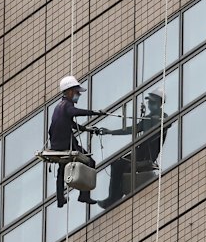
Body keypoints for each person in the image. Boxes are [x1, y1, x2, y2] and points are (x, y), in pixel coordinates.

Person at [97, 86, 168, 209]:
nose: (150, 104)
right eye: (149, 102)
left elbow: (166, 124)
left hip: (147, 154)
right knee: (117, 164)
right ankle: (115, 195)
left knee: (118, 165)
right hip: (140, 151)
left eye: (152, 102)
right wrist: (110, 132)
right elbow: (133, 129)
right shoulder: (148, 118)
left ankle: (113, 198)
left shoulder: (162, 117)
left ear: (159, 103)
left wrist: (155, 121)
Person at [49, 76, 106, 208]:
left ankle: (60, 200)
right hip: (65, 144)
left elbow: (70, 123)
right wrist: (95, 113)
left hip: (57, 145)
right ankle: (84, 195)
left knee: (62, 169)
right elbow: (75, 112)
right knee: (90, 162)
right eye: (77, 92)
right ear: (69, 92)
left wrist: (86, 129)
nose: (78, 95)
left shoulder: (59, 107)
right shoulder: (67, 106)